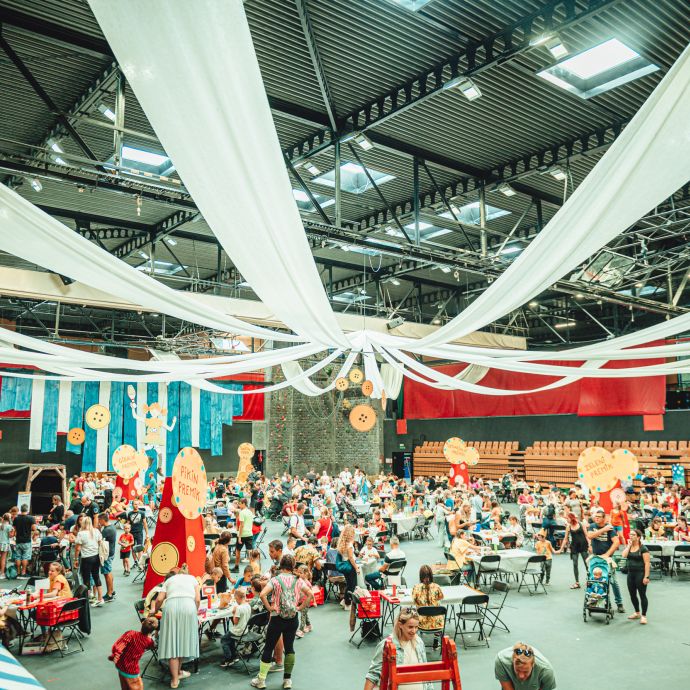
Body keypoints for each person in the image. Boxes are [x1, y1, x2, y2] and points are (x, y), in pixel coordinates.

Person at [252, 554, 314, 690]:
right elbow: (310, 594)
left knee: (269, 647)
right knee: (290, 648)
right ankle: (287, 680)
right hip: (292, 618)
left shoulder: (275, 580)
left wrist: (269, 608)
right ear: (293, 566)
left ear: (281, 565)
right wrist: (300, 607)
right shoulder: (298, 580)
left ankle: (261, 680)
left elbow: (262, 594)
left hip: (277, 618)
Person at [364, 608, 432, 690]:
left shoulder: (419, 642)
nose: (414, 631)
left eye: (416, 627)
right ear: (400, 625)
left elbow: (425, 671)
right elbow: (373, 675)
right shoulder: (386, 645)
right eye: (410, 627)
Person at [155, 568, 200, 689]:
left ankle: (175, 678)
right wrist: (194, 612)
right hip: (188, 607)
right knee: (183, 641)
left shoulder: (169, 580)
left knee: (172, 643)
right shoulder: (193, 579)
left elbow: (159, 599)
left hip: (171, 608)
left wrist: (154, 611)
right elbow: (197, 600)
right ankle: (178, 673)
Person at [587, 509, 624, 613]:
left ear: (604, 518)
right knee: (594, 580)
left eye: (599, 517)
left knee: (613, 582)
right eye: (595, 516)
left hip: (607, 559)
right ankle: (594, 602)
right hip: (595, 558)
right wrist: (603, 530)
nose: (596, 518)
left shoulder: (610, 528)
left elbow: (616, 542)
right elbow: (590, 536)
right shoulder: (592, 526)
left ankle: (619, 603)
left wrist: (607, 554)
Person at [109, 617, 158, 690]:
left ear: (142, 623)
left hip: (121, 665)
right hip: (131, 670)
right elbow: (153, 646)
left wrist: (116, 653)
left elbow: (121, 643)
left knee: (125, 686)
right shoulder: (148, 641)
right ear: (152, 630)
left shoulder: (131, 633)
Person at [622, 528, 650, 625]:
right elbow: (624, 555)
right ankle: (637, 613)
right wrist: (628, 545)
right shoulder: (629, 547)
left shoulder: (643, 548)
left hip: (640, 574)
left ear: (638, 537)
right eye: (630, 534)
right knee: (632, 594)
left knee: (642, 595)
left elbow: (647, 563)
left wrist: (646, 577)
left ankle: (644, 616)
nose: (631, 536)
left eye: (633, 535)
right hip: (630, 574)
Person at [74, 516, 105, 606]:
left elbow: (78, 549)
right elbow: (100, 543)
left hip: (86, 558)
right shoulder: (96, 531)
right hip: (96, 557)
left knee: (86, 579)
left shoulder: (81, 534)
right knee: (96, 577)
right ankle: (100, 598)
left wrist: (76, 559)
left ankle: (87, 599)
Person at [220, 588, 251, 668]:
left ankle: (228, 659)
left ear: (237, 597)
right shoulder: (248, 605)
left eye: (235, 599)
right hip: (245, 630)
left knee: (224, 639)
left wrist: (234, 613)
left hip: (238, 631)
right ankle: (234, 656)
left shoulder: (238, 608)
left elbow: (235, 622)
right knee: (231, 640)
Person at [556, 512, 589, 588]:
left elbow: (587, 536)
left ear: (571, 518)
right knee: (575, 564)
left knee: (586, 563)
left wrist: (590, 545)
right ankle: (577, 583)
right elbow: (565, 539)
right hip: (574, 546)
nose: (566, 519)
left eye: (567, 518)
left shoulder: (581, 524)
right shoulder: (568, 526)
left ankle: (589, 580)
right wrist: (560, 549)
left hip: (583, 545)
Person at [412, 565, 445, 636]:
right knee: (437, 609)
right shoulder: (437, 587)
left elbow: (415, 601)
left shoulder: (416, 587)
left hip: (421, 622)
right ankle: (436, 638)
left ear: (421, 576)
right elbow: (440, 597)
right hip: (437, 623)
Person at [335, 524, 359, 609]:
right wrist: (356, 568)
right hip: (350, 566)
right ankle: (347, 603)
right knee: (352, 585)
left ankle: (345, 601)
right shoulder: (349, 545)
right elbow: (351, 558)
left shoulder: (342, 544)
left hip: (345, 566)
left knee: (349, 584)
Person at [99, 512, 117, 602]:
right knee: (109, 572)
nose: (99, 522)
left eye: (99, 520)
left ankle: (109, 594)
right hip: (111, 552)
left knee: (107, 573)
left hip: (106, 554)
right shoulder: (112, 527)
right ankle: (111, 591)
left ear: (103, 520)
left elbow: (99, 539)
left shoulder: (106, 530)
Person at [12, 504, 35, 577]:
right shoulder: (31, 518)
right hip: (27, 540)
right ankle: (23, 572)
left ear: (21, 510)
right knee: (25, 557)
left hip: (18, 540)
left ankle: (18, 572)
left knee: (18, 556)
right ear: (27, 510)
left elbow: (14, 529)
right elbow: (34, 528)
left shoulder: (16, 518)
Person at [234, 498, 254, 572]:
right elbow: (251, 523)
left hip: (242, 534)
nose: (239, 505)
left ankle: (236, 567)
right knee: (250, 551)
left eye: (240, 504)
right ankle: (252, 568)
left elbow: (241, 525)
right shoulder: (250, 512)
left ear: (244, 504)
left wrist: (239, 537)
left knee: (238, 551)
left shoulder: (242, 513)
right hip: (249, 533)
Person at [0, 513, 12, 579]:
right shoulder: (9, 526)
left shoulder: (0, 525)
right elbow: (10, 536)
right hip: (5, 543)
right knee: (3, 559)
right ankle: (2, 573)